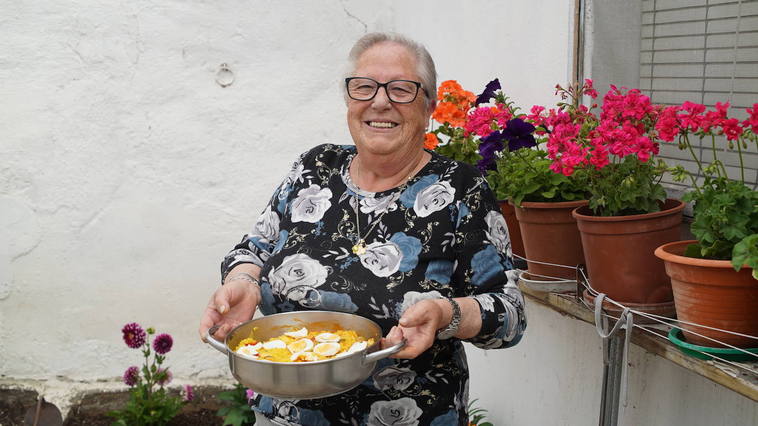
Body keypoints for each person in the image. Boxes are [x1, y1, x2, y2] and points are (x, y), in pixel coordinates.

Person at [198, 32, 526, 425]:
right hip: (285, 416)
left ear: (430, 107)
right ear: (349, 100)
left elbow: (509, 314)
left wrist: (447, 313)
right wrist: (245, 283)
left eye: (402, 89)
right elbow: (254, 249)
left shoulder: (461, 190)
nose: (381, 101)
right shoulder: (313, 170)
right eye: (364, 87)